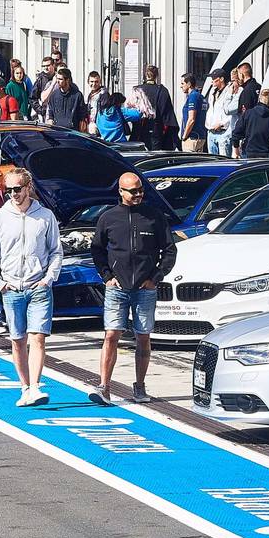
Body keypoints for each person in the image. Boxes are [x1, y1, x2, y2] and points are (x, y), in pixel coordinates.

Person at [91, 172, 176, 405]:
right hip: (117, 287)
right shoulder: (108, 217)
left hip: (145, 288)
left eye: (140, 190)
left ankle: (139, 386)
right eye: (133, 191)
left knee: (143, 336)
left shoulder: (154, 216)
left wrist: (156, 277)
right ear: (121, 191)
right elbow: (97, 249)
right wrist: (107, 276)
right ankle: (104, 386)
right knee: (111, 334)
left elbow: (169, 250)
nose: (138, 194)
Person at [0, 168, 61, 407]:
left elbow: (56, 251)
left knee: (38, 337)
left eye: (18, 189)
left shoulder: (45, 216)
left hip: (39, 286)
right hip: (11, 287)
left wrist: (48, 278)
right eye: (8, 190)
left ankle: (36, 386)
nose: (13, 194)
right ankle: (25, 387)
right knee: (18, 340)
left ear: (28, 187)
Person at [138, 66, 179, 150]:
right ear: (157, 76)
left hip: (140, 128)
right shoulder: (162, 90)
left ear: (145, 75)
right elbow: (168, 114)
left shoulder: (138, 90)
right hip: (156, 129)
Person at [233, 88, 269, 158]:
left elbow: (236, 132)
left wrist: (236, 149)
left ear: (259, 98)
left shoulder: (248, 114)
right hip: (268, 154)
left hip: (249, 152)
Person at [204, 68, 240, 157]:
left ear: (221, 79)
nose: (212, 81)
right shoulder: (213, 91)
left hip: (223, 132)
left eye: (214, 78)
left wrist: (222, 124)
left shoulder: (230, 90)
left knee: (224, 159)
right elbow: (211, 109)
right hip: (211, 131)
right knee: (212, 160)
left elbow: (230, 111)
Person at [44, 67, 88, 131]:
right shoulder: (54, 95)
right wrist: (50, 122)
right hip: (57, 131)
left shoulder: (77, 95)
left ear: (67, 80)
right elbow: (50, 113)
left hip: (72, 131)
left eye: (60, 79)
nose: (57, 81)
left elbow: (82, 115)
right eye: (57, 78)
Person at [178, 73, 208, 152]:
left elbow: (191, 119)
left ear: (189, 84)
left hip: (192, 138)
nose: (181, 86)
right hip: (199, 136)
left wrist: (184, 136)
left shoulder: (193, 96)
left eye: (182, 83)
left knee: (189, 159)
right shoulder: (200, 96)